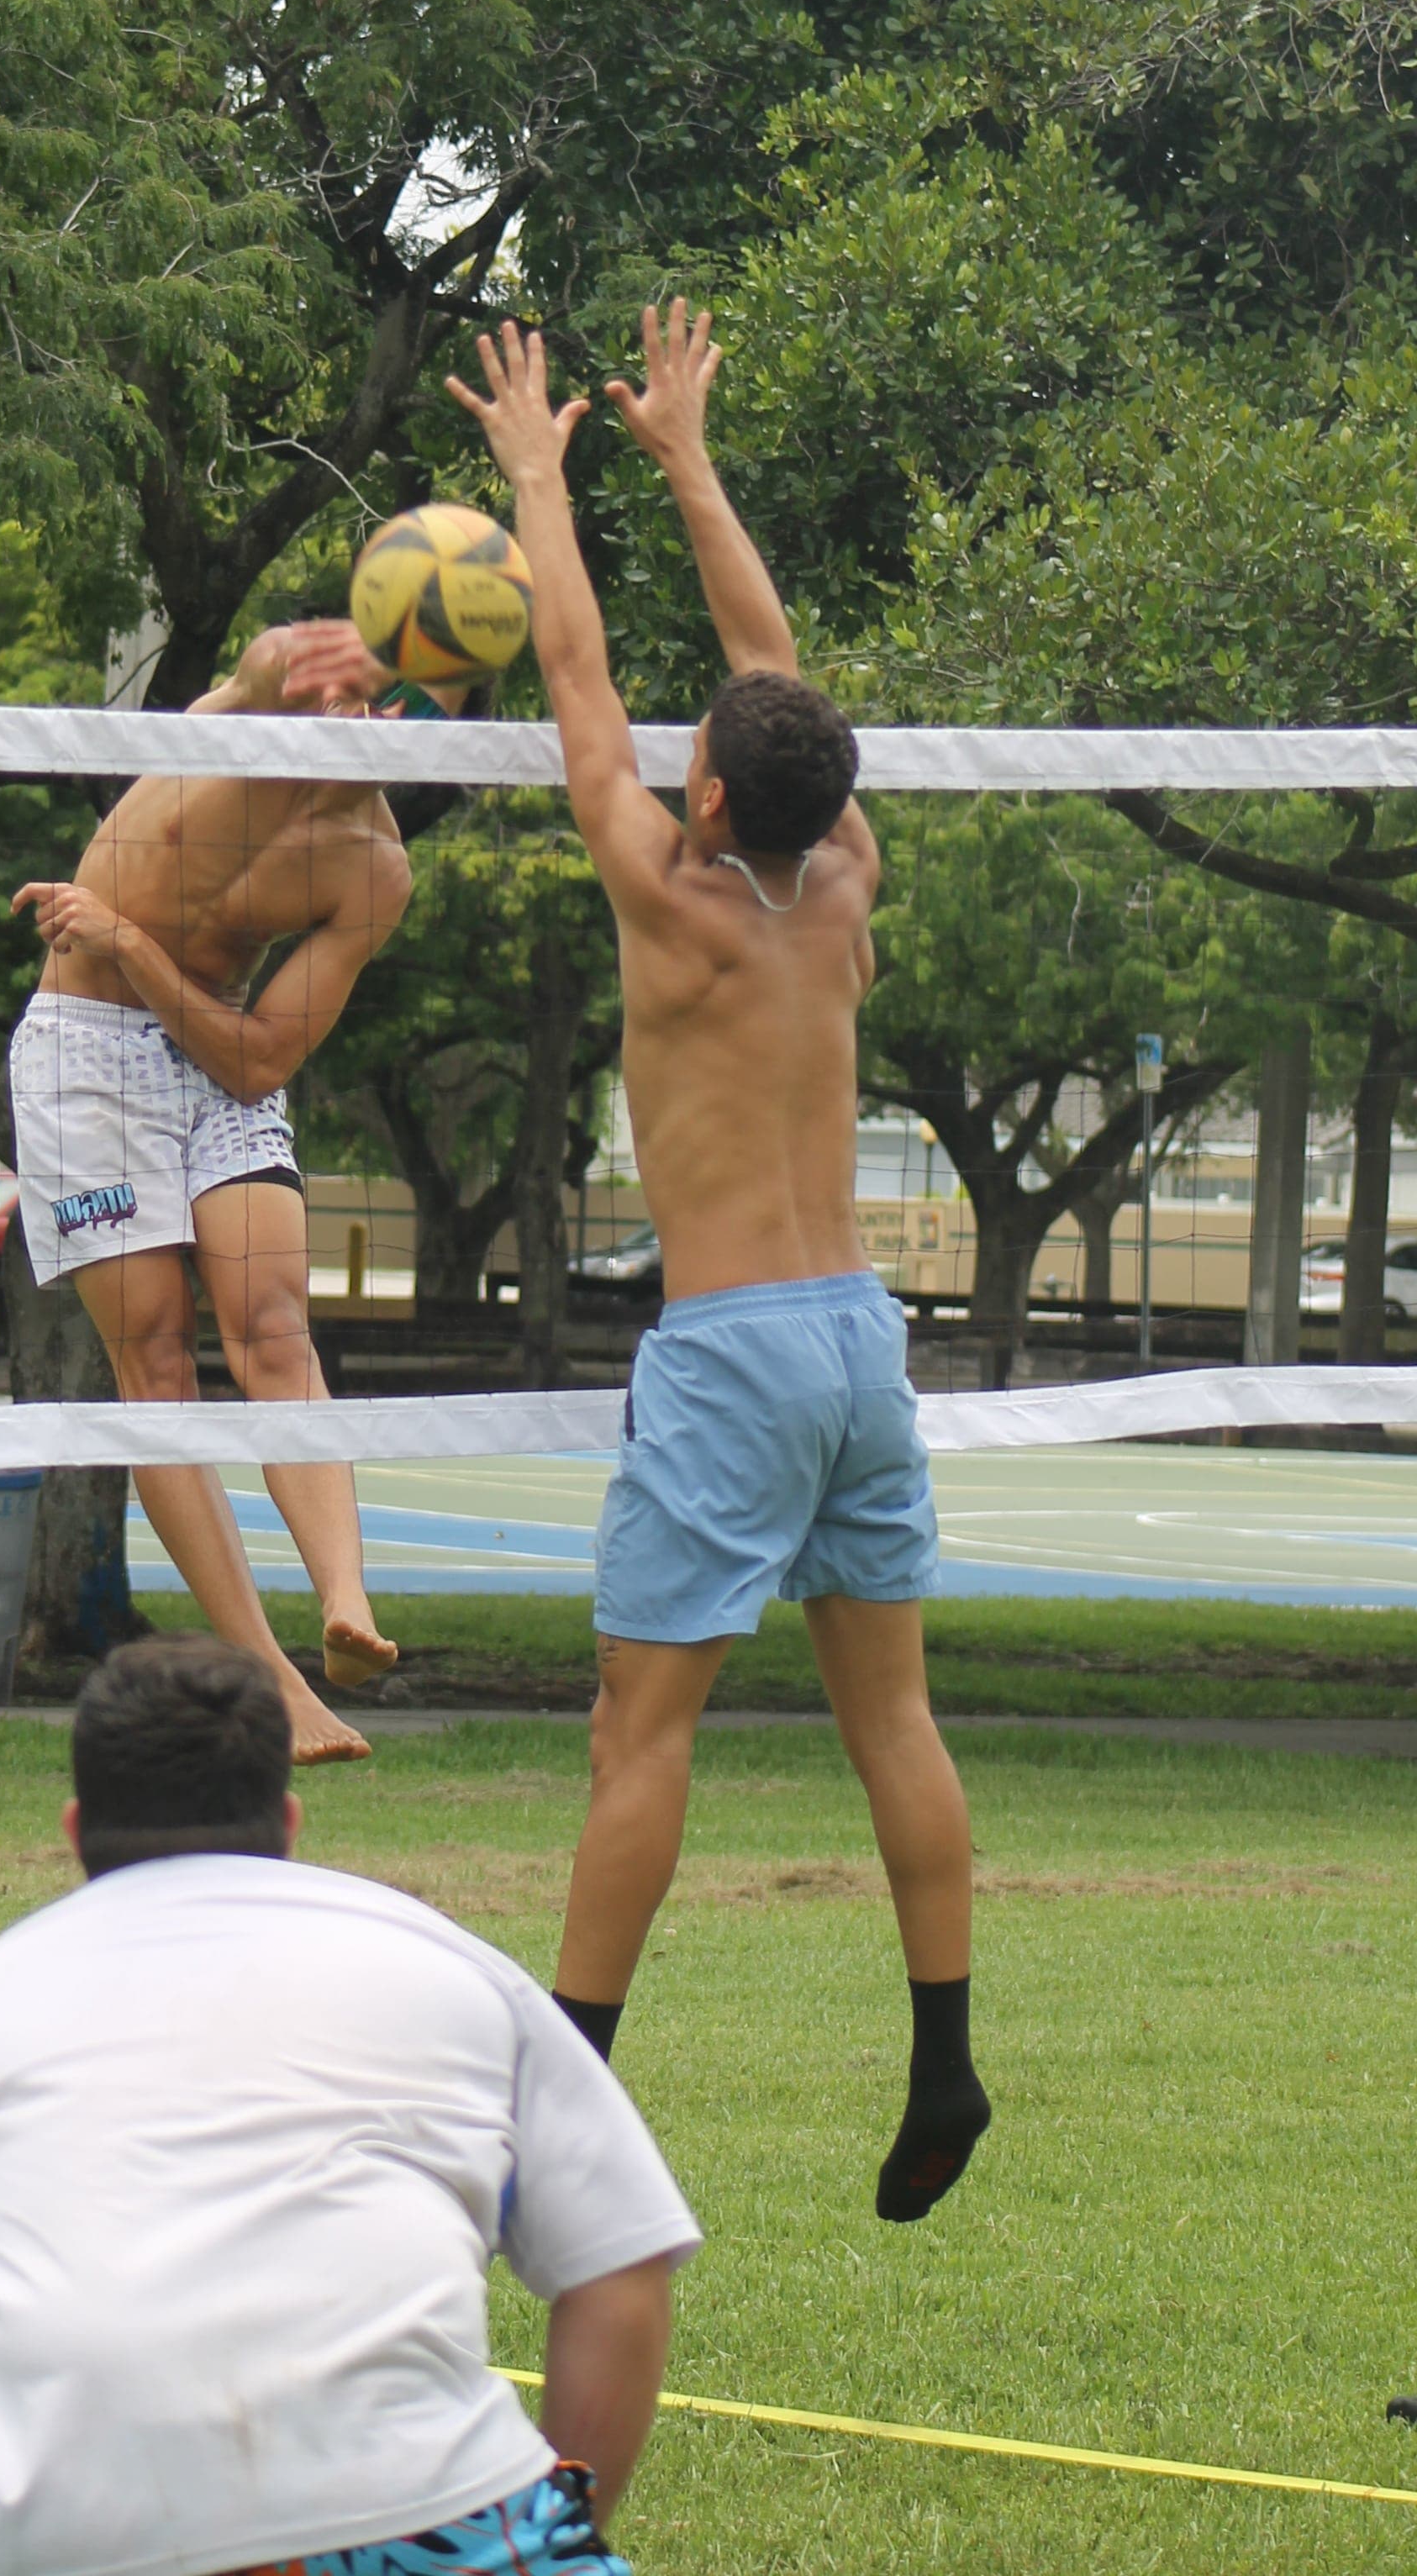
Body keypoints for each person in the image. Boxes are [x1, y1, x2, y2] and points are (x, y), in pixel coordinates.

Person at [448, 302, 990, 2225]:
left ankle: (563, 2097)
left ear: (699, 801)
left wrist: (536, 472)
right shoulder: (835, 865)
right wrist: (684, 457)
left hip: (735, 1347)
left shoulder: (661, 887)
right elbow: (768, 674)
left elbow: (577, 667)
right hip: (856, 1338)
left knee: (636, 1731)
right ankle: (940, 2056)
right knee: (889, 1719)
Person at [0, 1639, 699, 2576]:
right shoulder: (446, 1964)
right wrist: (562, 2526)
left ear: (75, 1828)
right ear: (288, 1823)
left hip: (15, 2540)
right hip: (419, 2507)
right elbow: (620, 2269)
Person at [11, 619, 463, 1765]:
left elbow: (261, 1059)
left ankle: (347, 1604)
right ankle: (272, 1679)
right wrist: (289, 664)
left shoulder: (373, 866)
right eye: (369, 699)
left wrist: (128, 941)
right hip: (85, 1053)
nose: (375, 724)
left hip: (215, 1051)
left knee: (272, 1322)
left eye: (408, 721)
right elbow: (262, 671)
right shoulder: (254, 718)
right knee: (155, 1367)